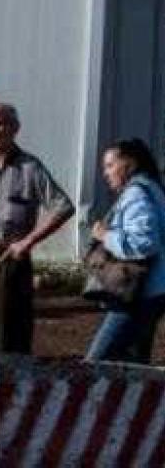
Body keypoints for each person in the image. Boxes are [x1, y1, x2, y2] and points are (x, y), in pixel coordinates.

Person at [0, 103, 75, 354]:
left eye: (0, 124)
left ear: (15, 128)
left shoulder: (31, 168)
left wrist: (27, 242)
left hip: (9, 260)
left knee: (10, 334)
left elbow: (63, 207)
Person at [85, 139, 165, 364]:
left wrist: (104, 236)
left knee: (96, 362)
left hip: (138, 293)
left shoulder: (136, 194)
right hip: (154, 291)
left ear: (129, 164)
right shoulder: (153, 188)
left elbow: (144, 243)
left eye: (110, 165)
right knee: (134, 363)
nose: (106, 173)